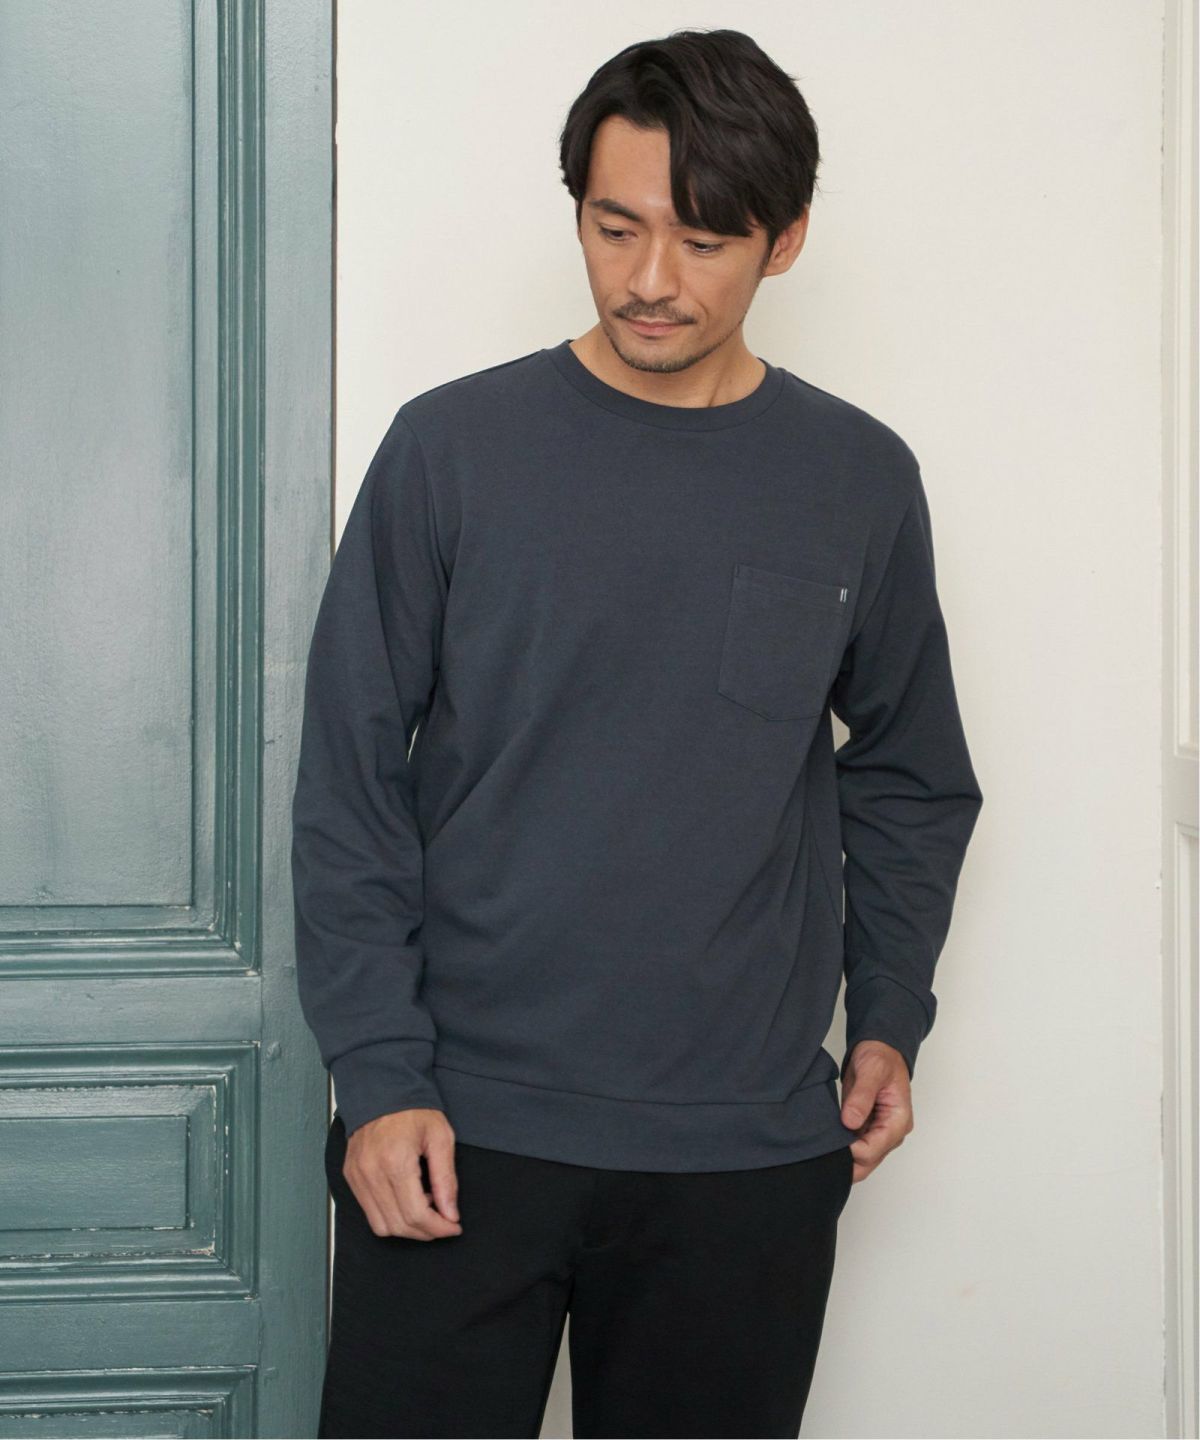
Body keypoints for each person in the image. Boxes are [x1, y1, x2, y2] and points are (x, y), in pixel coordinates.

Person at [291, 26, 984, 1440]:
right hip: (454, 1133)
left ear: (785, 241)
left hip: (743, 1156)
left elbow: (913, 774)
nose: (651, 279)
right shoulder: (449, 451)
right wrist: (377, 1073)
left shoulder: (856, 478)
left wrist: (890, 1011)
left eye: (704, 240)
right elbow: (349, 782)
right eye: (616, 228)